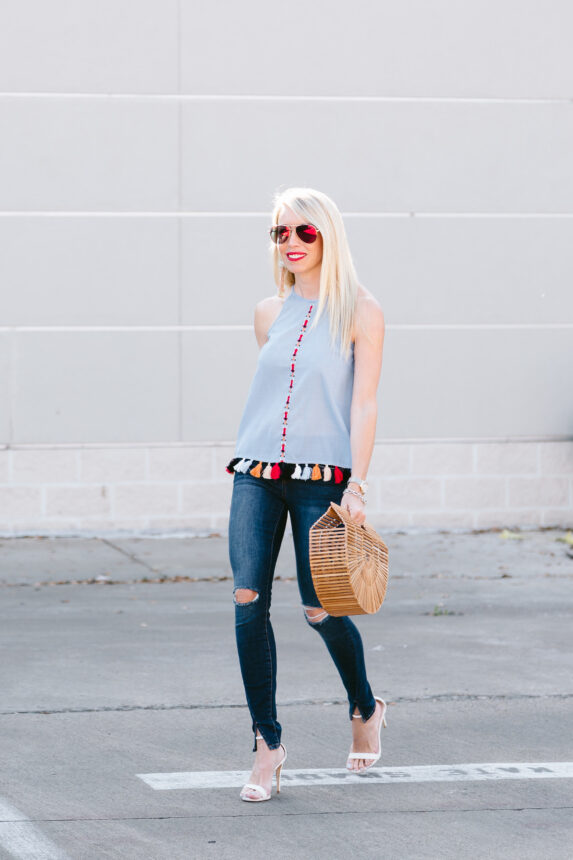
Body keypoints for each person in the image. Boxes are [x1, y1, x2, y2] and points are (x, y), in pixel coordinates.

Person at [225, 187, 386, 802]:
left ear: (328, 235)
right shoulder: (269, 312)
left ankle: (365, 707)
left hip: (323, 480)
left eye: (303, 232)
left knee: (321, 607)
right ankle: (267, 745)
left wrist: (358, 485)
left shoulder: (362, 312)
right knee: (246, 599)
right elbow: (275, 398)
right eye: (280, 233)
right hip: (256, 472)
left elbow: (363, 402)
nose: (290, 243)